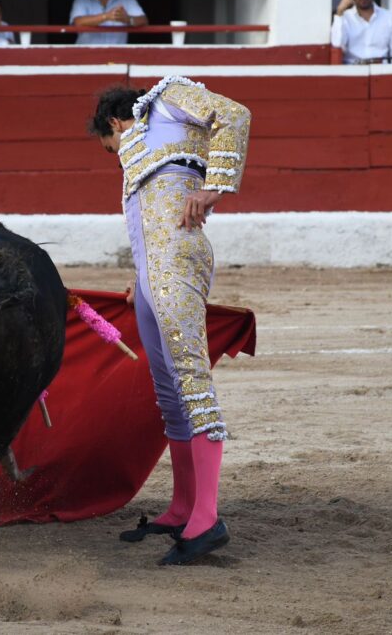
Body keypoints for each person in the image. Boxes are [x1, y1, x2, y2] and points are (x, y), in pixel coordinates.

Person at [88, 76, 251, 565]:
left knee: (191, 379)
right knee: (168, 387)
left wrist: (214, 189)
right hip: (151, 271)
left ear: (115, 123)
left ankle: (207, 517)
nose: (115, 153)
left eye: (109, 144)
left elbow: (236, 114)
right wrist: (140, 276)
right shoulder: (138, 162)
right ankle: (183, 507)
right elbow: (146, 220)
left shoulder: (165, 101)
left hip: (178, 258)